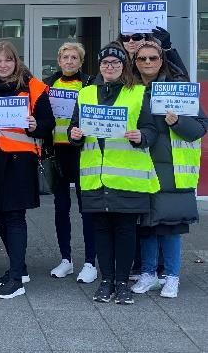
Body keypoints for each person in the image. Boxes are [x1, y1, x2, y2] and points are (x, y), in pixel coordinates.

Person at [69, 43, 158, 305]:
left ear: (124, 66)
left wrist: (141, 136)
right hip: (95, 177)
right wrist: (75, 135)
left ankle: (122, 282)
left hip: (127, 177)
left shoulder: (138, 92)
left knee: (126, 231)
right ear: (99, 66)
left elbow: (151, 130)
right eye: (105, 63)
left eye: (116, 63)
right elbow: (75, 128)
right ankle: (106, 281)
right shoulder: (85, 93)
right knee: (101, 230)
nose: (110, 67)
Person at [0, 41, 54, 299]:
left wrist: (35, 125)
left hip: (19, 162)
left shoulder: (34, 87)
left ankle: (16, 279)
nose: (3, 65)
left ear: (16, 62)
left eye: (8, 60)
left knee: (15, 217)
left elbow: (48, 124)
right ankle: (20, 268)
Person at [130, 41, 207, 298]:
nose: (148, 62)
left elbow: (200, 128)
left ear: (162, 61)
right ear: (135, 63)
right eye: (142, 58)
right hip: (140, 165)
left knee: (171, 226)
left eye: (153, 58)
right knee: (147, 225)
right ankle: (148, 273)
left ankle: (172, 277)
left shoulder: (179, 89)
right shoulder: (130, 90)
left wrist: (178, 122)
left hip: (172, 170)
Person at [43, 43, 97, 283]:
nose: (69, 61)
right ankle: (65, 259)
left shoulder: (91, 84)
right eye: (65, 57)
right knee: (61, 207)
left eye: (75, 57)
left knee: (87, 209)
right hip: (58, 152)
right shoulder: (48, 84)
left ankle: (90, 262)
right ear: (59, 60)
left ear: (81, 61)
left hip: (82, 152)